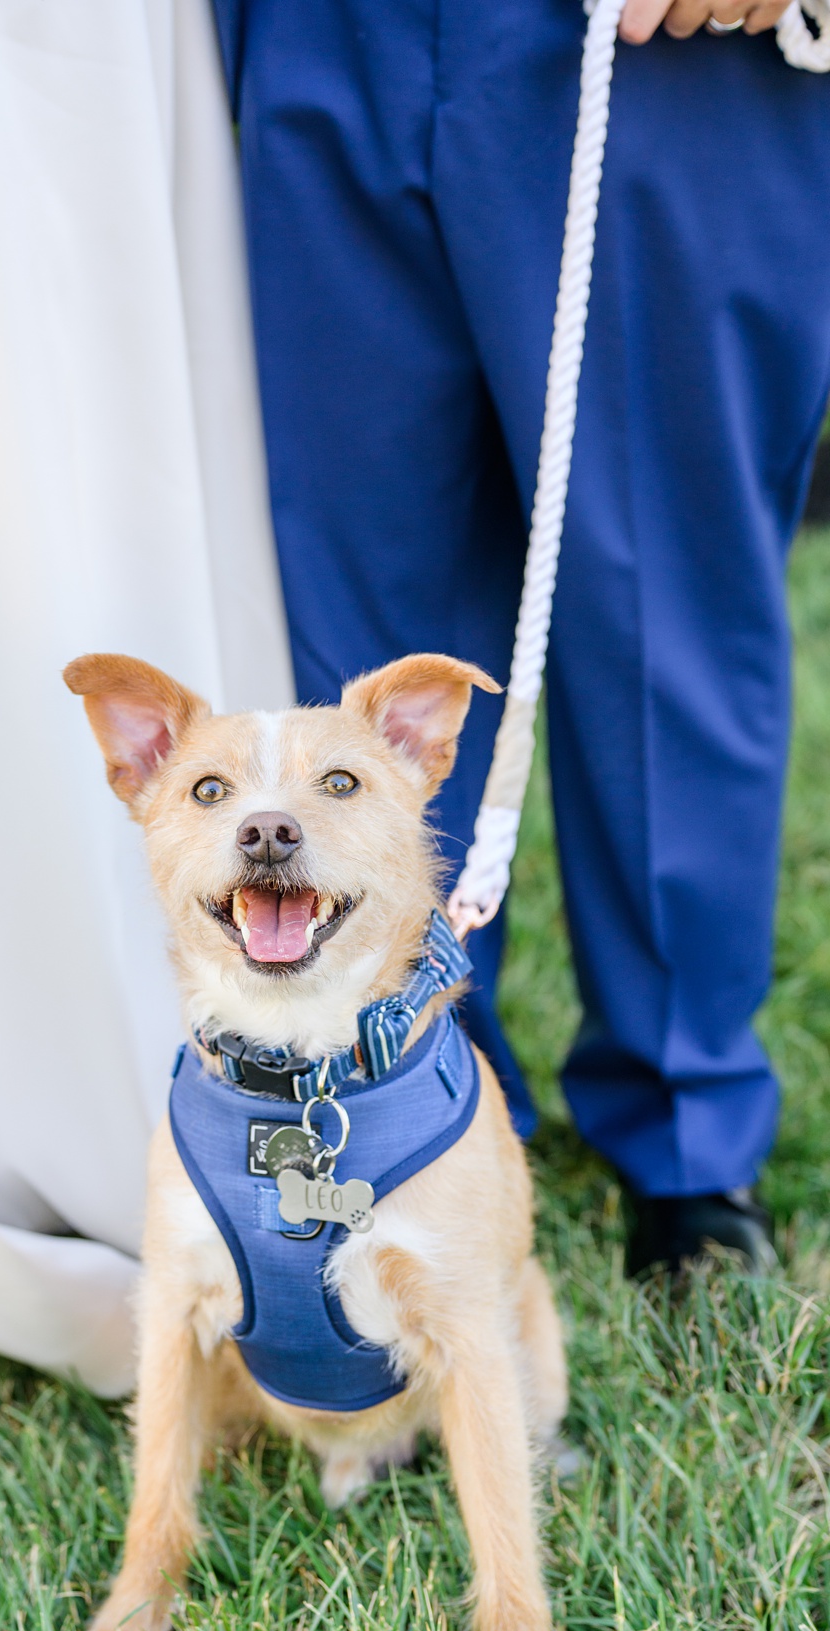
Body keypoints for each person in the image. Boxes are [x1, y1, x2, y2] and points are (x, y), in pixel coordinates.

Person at [215, 0, 830, 1275]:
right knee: (366, 625)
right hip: (313, 30)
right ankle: (414, 1089)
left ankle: (684, 1128)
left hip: (652, 48)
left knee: (666, 599)